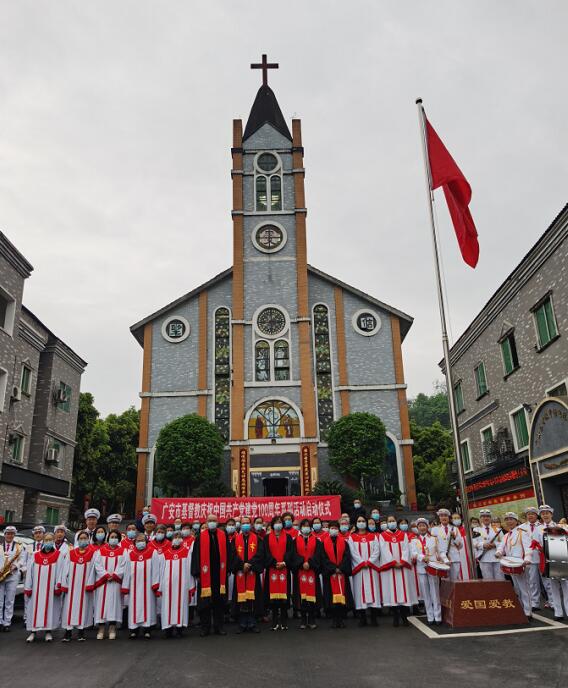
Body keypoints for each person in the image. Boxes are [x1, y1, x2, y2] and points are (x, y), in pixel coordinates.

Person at [191, 513, 232, 636]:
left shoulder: (223, 536)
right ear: (206, 522)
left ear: (218, 522)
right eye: (210, 520)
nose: (212, 522)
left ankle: (219, 627)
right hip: (205, 575)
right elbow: (196, 556)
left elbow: (229, 553)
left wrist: (228, 568)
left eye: (214, 520)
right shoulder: (200, 537)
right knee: (205, 603)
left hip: (220, 574)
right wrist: (197, 573)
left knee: (219, 603)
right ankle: (205, 627)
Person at [24, 532, 66, 643]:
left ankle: (48, 632)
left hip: (50, 590)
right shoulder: (35, 555)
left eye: (50, 540)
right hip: (37, 589)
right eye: (46, 540)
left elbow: (60, 572)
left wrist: (58, 585)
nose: (48, 542)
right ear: (43, 541)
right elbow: (30, 573)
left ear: (53, 541)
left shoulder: (58, 555)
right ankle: (33, 632)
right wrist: (28, 587)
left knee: (50, 609)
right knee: (34, 609)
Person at [379, 516, 417, 627]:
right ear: (386, 523)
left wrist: (402, 561)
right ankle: (395, 617)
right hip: (391, 568)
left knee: (403, 591)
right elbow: (384, 550)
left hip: (402, 567)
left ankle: (404, 617)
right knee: (392, 592)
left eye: (393, 521)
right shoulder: (382, 536)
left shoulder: (403, 535)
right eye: (389, 521)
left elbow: (406, 549)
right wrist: (392, 562)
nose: (392, 523)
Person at [347, 514, 385, 626]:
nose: (361, 523)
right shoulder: (352, 537)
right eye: (359, 521)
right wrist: (361, 562)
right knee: (360, 592)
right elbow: (353, 553)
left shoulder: (373, 536)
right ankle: (362, 618)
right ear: (356, 523)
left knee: (374, 591)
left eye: (363, 521)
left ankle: (374, 617)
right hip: (359, 569)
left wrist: (369, 562)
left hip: (371, 568)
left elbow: (376, 551)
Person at [120, 533, 160, 638]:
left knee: (148, 607)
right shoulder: (130, 554)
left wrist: (155, 584)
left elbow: (156, 570)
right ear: (134, 543)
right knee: (134, 608)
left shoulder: (153, 552)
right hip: (134, 588)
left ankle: (147, 630)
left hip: (148, 587)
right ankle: (134, 630)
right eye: (138, 541)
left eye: (142, 540)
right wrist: (125, 586)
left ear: (146, 541)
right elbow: (127, 571)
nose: (140, 542)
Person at [157, 530, 196, 637]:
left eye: (179, 537)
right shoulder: (165, 554)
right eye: (175, 537)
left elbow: (189, 570)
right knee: (167, 606)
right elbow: (161, 571)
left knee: (181, 606)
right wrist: (160, 586)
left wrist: (191, 586)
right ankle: (168, 630)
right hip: (167, 586)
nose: (176, 539)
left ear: (182, 540)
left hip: (182, 585)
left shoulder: (187, 552)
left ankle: (179, 629)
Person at [60, 530, 97, 642]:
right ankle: (68, 632)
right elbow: (64, 570)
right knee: (69, 608)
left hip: (84, 587)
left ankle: (81, 631)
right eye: (81, 538)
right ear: (77, 540)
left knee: (84, 607)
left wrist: (90, 583)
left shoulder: (93, 554)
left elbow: (93, 570)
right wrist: (64, 584)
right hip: (72, 586)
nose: (83, 540)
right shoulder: (71, 553)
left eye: (85, 538)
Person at [410, 518, 448, 625]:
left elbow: (441, 552)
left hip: (433, 567)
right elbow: (413, 553)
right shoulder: (414, 540)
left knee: (435, 592)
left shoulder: (434, 539)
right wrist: (422, 557)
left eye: (424, 525)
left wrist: (445, 560)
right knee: (426, 593)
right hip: (422, 567)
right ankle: (430, 616)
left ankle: (438, 616)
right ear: (417, 528)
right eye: (420, 526)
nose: (422, 528)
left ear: (427, 527)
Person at [231, 516, 265, 633]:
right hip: (240, 572)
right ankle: (242, 623)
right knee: (241, 598)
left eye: (247, 523)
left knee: (253, 598)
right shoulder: (235, 539)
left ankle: (252, 622)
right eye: (243, 523)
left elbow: (260, 554)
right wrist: (241, 565)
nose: (245, 525)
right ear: (240, 525)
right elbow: (233, 555)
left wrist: (249, 564)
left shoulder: (258, 539)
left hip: (252, 572)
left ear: (251, 525)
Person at [495, 512, 532, 618]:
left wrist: (527, 558)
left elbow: (528, 547)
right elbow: (501, 547)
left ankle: (528, 611)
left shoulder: (522, 533)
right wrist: (498, 553)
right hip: (511, 565)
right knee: (517, 588)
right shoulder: (506, 535)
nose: (509, 521)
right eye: (507, 520)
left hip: (521, 564)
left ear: (516, 521)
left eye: (511, 519)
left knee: (524, 588)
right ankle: (521, 609)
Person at [93, 529, 125, 640]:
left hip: (115, 582)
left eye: (116, 537)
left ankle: (112, 628)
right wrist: (106, 575)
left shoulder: (123, 551)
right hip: (103, 582)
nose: (113, 539)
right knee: (101, 605)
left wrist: (115, 575)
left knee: (114, 605)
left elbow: (124, 565)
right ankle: (101, 628)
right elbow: (97, 565)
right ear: (108, 538)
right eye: (112, 537)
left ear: (119, 539)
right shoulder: (101, 551)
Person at [264, 515, 295, 631]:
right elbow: (266, 552)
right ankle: (275, 620)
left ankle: (284, 619)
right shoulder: (267, 538)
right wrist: (273, 563)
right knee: (273, 599)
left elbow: (290, 552)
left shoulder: (288, 537)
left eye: (280, 522)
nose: (278, 524)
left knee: (284, 597)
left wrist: (284, 562)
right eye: (276, 522)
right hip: (272, 569)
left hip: (284, 570)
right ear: (272, 524)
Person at [292, 519, 323, 629]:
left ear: (311, 528)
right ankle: (303, 618)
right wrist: (302, 563)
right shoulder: (295, 541)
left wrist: (309, 563)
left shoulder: (317, 541)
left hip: (312, 571)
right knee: (302, 597)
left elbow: (319, 555)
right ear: (301, 528)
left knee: (312, 596)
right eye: (304, 526)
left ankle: (312, 618)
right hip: (300, 572)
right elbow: (293, 555)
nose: (306, 528)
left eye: (308, 526)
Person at [322, 521, 351, 628]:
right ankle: (334, 619)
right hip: (330, 574)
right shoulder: (324, 543)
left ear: (338, 529)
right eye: (332, 528)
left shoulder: (344, 542)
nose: (333, 529)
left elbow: (347, 557)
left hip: (341, 574)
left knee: (342, 597)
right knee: (331, 598)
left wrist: (340, 568)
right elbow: (323, 558)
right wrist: (333, 568)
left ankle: (341, 619)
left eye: (335, 528)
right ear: (329, 529)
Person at [0, 525, 26, 631]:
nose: (9, 535)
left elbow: (23, 559)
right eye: (8, 533)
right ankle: (0, 621)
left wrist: (16, 566)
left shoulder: (19, 547)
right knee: (0, 600)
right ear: (5, 534)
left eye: (12, 533)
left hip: (13, 575)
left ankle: (7, 623)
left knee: (10, 600)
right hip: (1, 575)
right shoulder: (0, 546)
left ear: (14, 535)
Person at [518, 506, 542, 611]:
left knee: (547, 581)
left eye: (532, 514)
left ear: (536, 515)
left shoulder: (542, 526)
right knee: (532, 581)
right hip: (530, 557)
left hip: (541, 556)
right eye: (528, 514)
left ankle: (551, 602)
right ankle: (534, 602)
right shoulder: (521, 527)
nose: (530, 516)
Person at [431, 508, 464, 581]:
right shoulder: (434, 529)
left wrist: (455, 537)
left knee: (455, 579)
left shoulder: (455, 529)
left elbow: (460, 545)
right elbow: (433, 545)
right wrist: (438, 556)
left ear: (449, 517)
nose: (443, 517)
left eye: (445, 515)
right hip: (442, 558)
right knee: (445, 580)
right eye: (441, 516)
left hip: (454, 557)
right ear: (439, 518)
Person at [474, 508, 504, 580]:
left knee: (500, 578)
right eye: (483, 516)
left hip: (497, 557)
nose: (486, 518)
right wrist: (483, 545)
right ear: (480, 518)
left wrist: (495, 545)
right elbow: (474, 542)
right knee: (488, 579)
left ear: (490, 518)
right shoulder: (476, 530)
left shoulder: (497, 529)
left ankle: (501, 592)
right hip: (484, 557)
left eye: (487, 516)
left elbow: (503, 542)